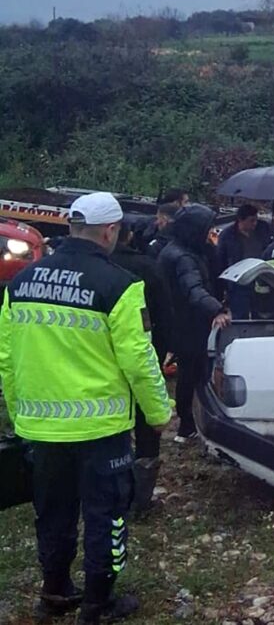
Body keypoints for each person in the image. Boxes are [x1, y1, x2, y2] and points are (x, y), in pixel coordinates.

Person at [0, 192, 172, 624]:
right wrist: (158, 413)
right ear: (111, 231)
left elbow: (6, 358)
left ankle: (55, 591)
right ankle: (98, 602)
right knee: (106, 515)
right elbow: (140, 359)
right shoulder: (120, 285)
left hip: (41, 428)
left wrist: (20, 413)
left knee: (52, 512)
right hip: (100, 429)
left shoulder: (21, 282)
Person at [109, 218, 174, 515]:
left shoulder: (95, 268)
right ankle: (141, 499)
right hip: (144, 351)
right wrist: (163, 352)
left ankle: (110, 487)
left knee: (111, 426)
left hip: (101, 362)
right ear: (130, 236)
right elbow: (164, 312)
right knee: (147, 425)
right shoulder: (147, 267)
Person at [158, 205, 230, 443]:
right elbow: (194, 290)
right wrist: (217, 310)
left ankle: (189, 423)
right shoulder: (183, 257)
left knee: (190, 375)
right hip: (188, 325)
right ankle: (187, 426)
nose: (209, 234)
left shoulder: (178, 250)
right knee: (192, 376)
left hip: (180, 322)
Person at [216, 204, 272, 319]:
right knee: (240, 316)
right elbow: (221, 260)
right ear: (241, 220)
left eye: (256, 220)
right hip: (238, 282)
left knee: (261, 315)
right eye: (251, 221)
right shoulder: (227, 235)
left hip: (260, 279)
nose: (254, 224)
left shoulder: (263, 229)